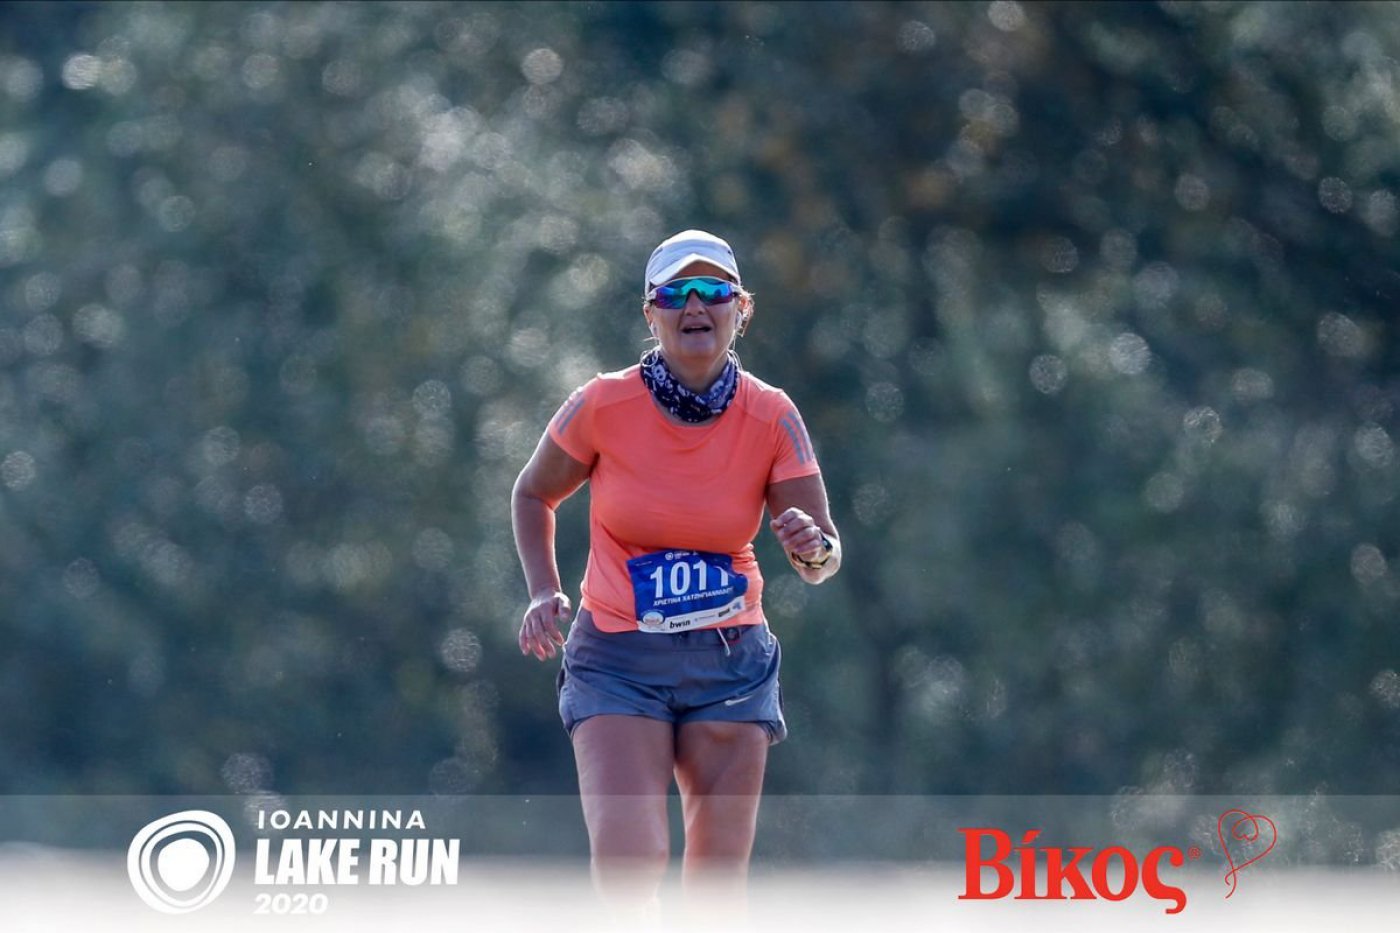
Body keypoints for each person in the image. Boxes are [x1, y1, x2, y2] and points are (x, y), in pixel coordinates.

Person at [511, 229, 841, 920]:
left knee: (717, 884)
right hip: (617, 658)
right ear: (651, 313)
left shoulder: (772, 414)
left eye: (714, 290)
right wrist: (543, 589)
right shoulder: (602, 403)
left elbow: (822, 558)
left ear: (741, 309)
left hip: (730, 661)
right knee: (629, 862)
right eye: (676, 293)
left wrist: (810, 546)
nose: (696, 305)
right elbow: (533, 493)